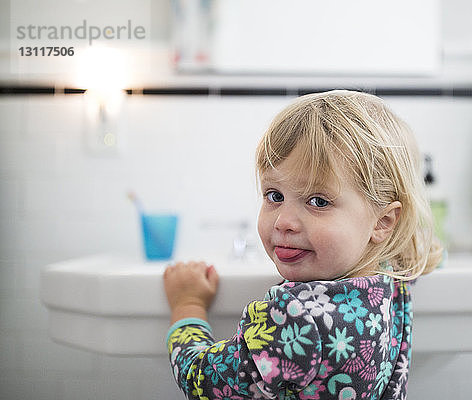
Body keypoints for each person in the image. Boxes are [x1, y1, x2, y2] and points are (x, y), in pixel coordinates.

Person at [163, 90, 442, 400]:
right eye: (274, 196)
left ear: (383, 222)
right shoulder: (394, 277)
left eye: (318, 201)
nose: (284, 221)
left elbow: (199, 378)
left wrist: (187, 303)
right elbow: (417, 247)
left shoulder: (296, 318)